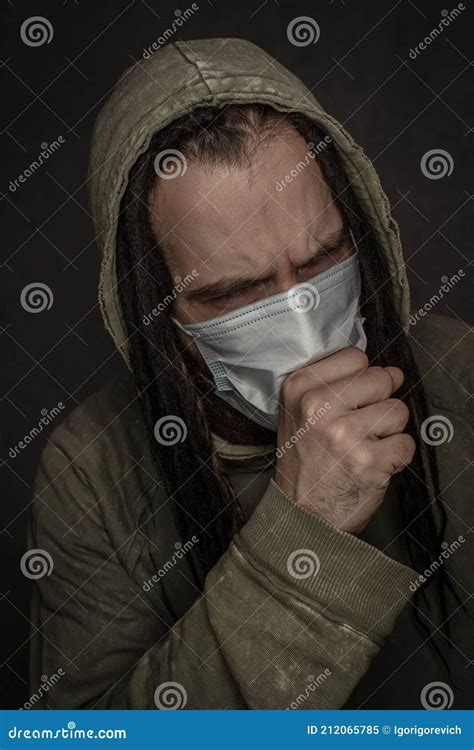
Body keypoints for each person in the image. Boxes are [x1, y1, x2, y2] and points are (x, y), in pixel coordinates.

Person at [29, 38, 472, 709]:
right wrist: (306, 530)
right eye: (236, 293)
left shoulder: (458, 373)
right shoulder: (92, 471)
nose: (301, 322)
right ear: (153, 307)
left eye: (323, 258)